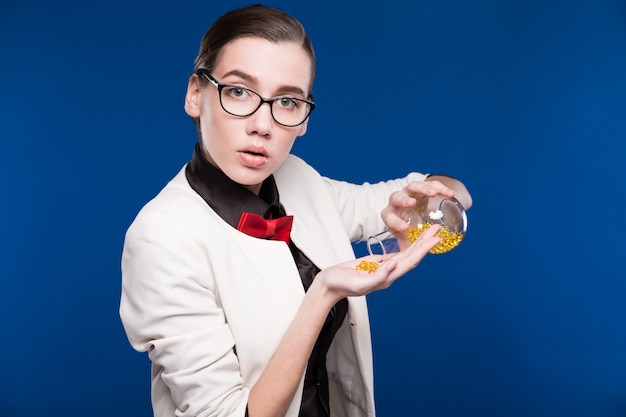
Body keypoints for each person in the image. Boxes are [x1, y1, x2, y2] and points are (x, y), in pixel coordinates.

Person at [119, 4, 472, 417]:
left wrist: (424, 200)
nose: (262, 124)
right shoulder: (163, 236)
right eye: (238, 91)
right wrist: (323, 293)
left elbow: (454, 192)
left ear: (304, 119)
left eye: (287, 101)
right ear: (196, 95)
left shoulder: (298, 179)